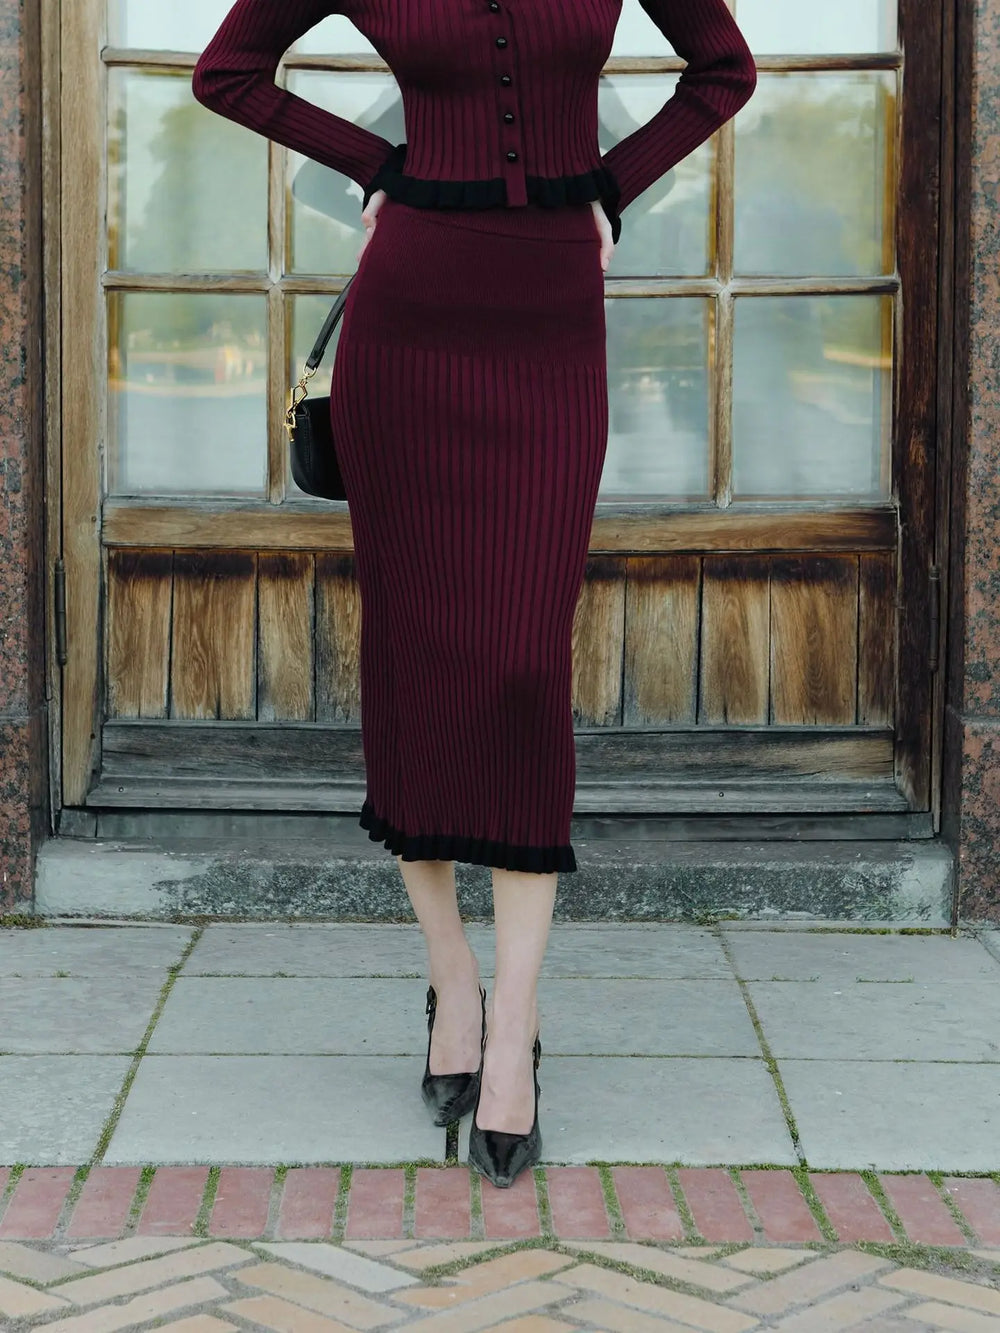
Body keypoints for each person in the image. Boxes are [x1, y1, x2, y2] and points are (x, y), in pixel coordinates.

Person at [193, 0, 756, 1190]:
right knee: (419, 655)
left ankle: (518, 1027)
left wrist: (607, 184)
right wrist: (380, 166)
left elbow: (721, 70)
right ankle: (454, 980)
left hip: (551, 319)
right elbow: (228, 72)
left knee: (516, 667)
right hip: (409, 324)